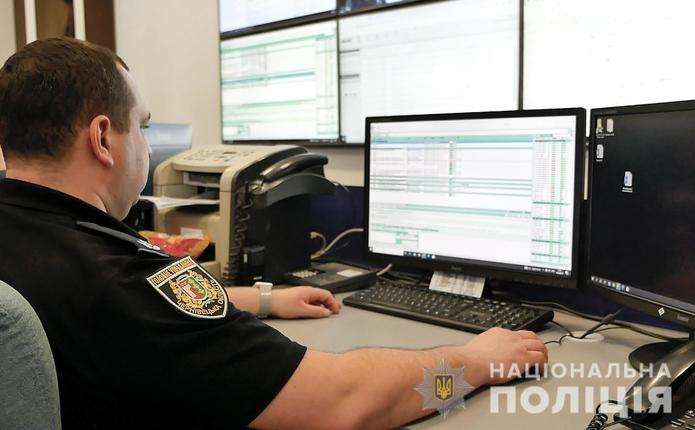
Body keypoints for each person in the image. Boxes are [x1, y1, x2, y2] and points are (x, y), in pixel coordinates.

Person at [0, 37, 548, 429]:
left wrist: (263, 298)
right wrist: (476, 363)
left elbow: (134, 310)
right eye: (142, 128)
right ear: (103, 139)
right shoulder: (121, 282)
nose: (146, 147)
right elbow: (345, 404)